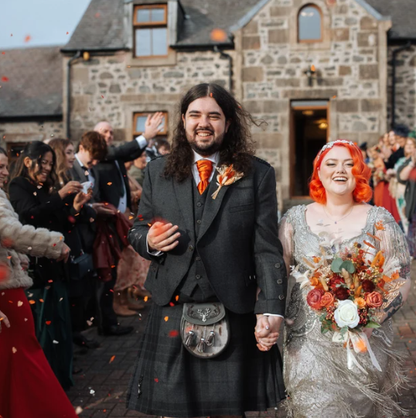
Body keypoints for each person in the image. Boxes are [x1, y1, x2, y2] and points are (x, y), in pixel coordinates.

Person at [127, 83, 287, 417]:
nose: (204, 122)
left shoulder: (257, 173)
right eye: (195, 114)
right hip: (173, 304)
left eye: (214, 116)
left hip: (235, 307)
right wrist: (150, 242)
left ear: (228, 123)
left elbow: (267, 249)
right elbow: (138, 229)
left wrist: (271, 308)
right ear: (183, 120)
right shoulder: (157, 171)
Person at [279, 140, 411, 417]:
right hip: (308, 344)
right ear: (318, 172)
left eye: (349, 164)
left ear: (360, 173)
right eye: (332, 163)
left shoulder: (380, 220)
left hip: (364, 346)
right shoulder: (293, 219)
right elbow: (277, 271)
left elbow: (401, 276)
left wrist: (373, 321)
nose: (341, 170)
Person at [0, 147, 78, 418]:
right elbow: (10, 231)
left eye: (5, 165)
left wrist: (16, 257)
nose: (5, 172)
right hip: (6, 296)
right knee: (25, 359)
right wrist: (54, 243)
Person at [49, 137, 100, 349]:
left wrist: (84, 208)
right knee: (71, 292)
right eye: (68, 152)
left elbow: (73, 211)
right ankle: (69, 338)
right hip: (60, 239)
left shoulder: (68, 176)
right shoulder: (54, 182)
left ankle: (76, 333)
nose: (72, 157)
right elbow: (56, 214)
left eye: (72, 152)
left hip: (75, 237)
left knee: (80, 289)